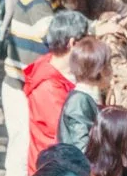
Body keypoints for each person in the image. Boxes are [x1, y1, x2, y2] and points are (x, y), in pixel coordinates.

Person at [0, 0, 75, 176]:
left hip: (24, 84)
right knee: (21, 150)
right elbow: (52, 32)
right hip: (19, 86)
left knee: (24, 148)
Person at [24, 11, 89, 165]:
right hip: (53, 171)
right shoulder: (49, 88)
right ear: (73, 44)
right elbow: (68, 131)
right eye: (86, 42)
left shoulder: (47, 63)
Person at [56, 33, 112, 161]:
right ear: (100, 70)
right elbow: (82, 148)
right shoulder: (79, 101)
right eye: (108, 65)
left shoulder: (88, 97)